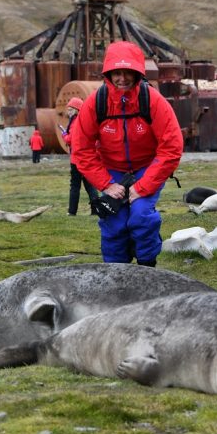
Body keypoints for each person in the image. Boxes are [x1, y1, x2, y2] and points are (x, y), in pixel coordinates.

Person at [73, 40, 184, 266]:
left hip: (146, 168)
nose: (122, 78)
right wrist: (105, 184)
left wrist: (142, 187)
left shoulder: (153, 101)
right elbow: (81, 149)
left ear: (137, 73)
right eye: (117, 72)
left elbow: (171, 148)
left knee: (141, 216)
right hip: (112, 170)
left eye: (128, 72)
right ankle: (116, 272)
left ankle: (147, 266)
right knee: (113, 221)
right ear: (108, 73)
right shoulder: (96, 103)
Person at [61, 97, 98, 216]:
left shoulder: (74, 122)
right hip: (86, 157)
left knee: (75, 185)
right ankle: (95, 209)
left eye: (71, 109)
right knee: (90, 184)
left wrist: (64, 135)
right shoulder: (85, 120)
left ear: (77, 110)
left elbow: (70, 140)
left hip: (77, 158)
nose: (69, 112)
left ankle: (72, 211)